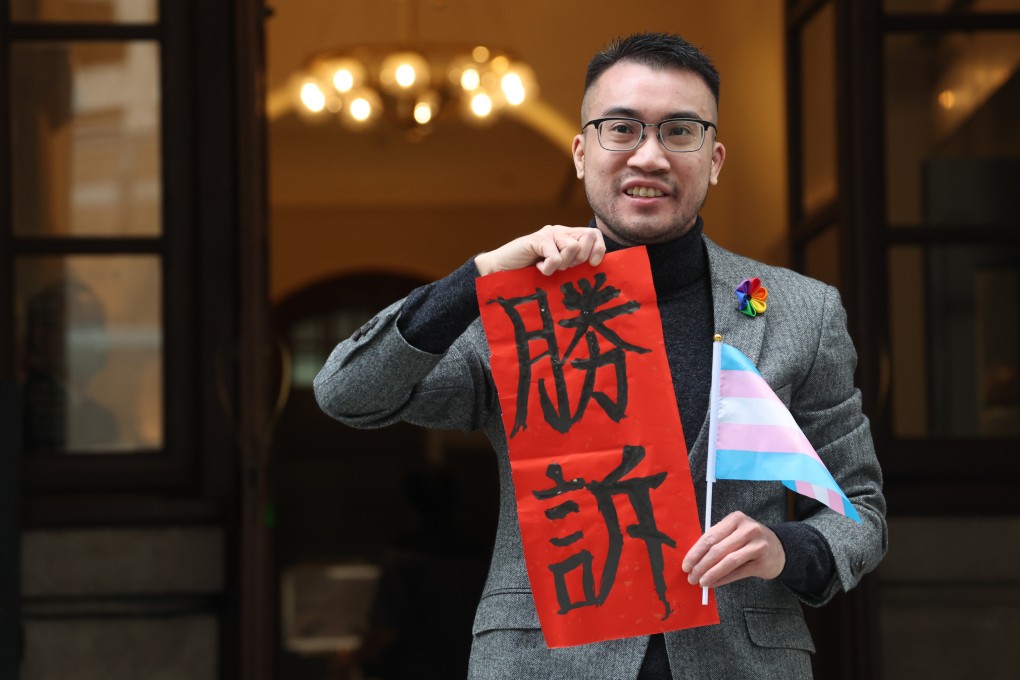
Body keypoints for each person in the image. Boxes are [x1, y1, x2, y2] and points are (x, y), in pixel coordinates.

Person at [314, 32, 887, 680]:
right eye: (623, 129)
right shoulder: (520, 310)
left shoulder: (798, 312)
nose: (650, 155)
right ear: (583, 153)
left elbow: (859, 510)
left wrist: (788, 547)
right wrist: (478, 278)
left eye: (679, 131)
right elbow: (347, 392)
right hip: (543, 662)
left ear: (715, 157)